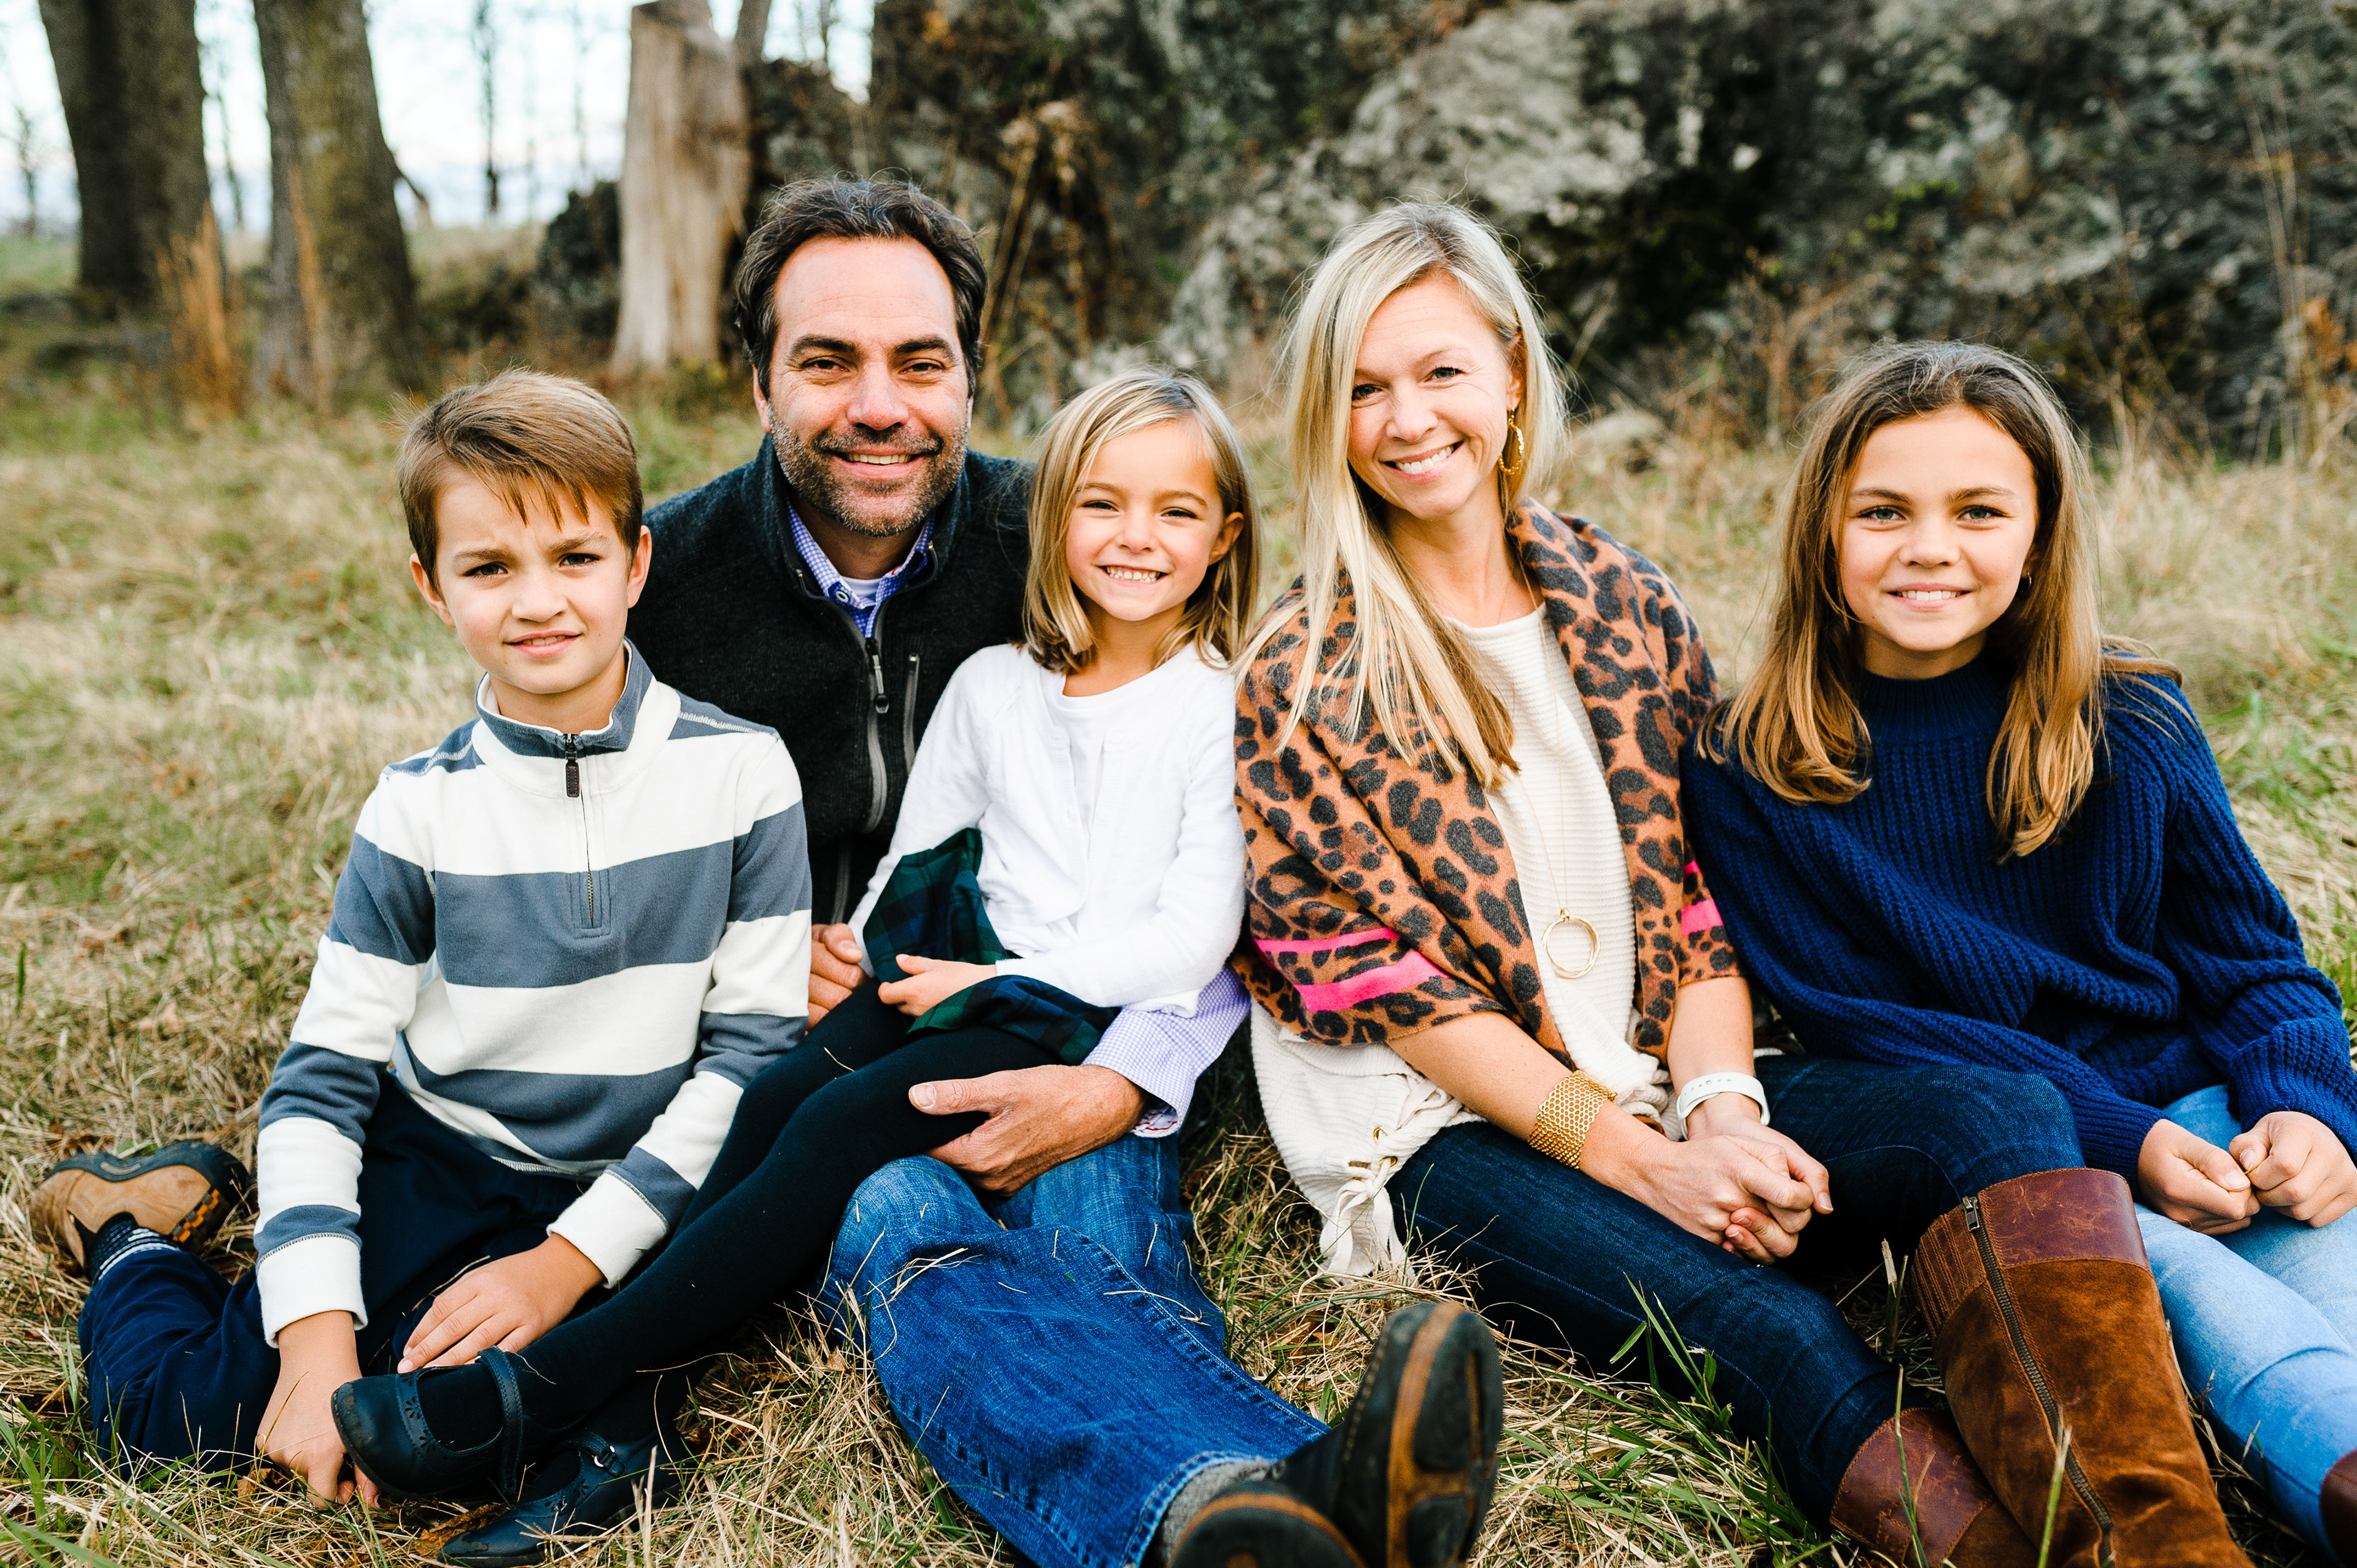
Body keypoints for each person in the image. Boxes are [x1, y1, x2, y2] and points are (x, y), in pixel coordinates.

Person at [331, 367, 1505, 1566]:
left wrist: (992, 992)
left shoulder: (1225, 704)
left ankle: (550, 1388)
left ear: (1226, 537)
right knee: (774, 1104)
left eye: (1177, 511)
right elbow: (915, 861)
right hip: (951, 985)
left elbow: (1196, 943)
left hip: (1070, 1023)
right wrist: (855, 958)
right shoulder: (999, 684)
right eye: (1102, 505)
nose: (1136, 538)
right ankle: (621, 1417)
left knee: (906, 1164)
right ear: (1052, 522)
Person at [1231, 201, 2254, 1568]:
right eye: (1363, 388)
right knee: (1780, 1333)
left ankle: (2165, 1542)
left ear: (1513, 375)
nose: (1408, 418)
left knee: (1999, 1110)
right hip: (1448, 1128)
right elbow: (1397, 997)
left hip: (1666, 1074)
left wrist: (1721, 1107)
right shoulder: (1303, 667)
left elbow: (1694, 902)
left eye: (1441, 371)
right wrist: (1651, 1165)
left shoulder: (1617, 596)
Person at [26, 371, 813, 1508]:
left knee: (478, 1435)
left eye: (575, 557)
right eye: (489, 568)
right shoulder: (417, 809)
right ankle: (129, 1233)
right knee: (180, 1423)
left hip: (643, 1179)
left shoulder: (743, 773)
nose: (538, 601)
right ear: (432, 588)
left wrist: (566, 1262)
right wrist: (313, 1340)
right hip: (445, 1150)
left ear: (637, 564)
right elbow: (321, 1083)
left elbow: (750, 1058)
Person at [1685, 339, 2354, 1562]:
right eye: (1883, 512)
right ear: (1822, 535)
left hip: (2211, 1106)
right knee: (2234, 1325)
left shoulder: (2130, 716)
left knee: (2339, 1279)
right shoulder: (1755, 763)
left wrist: (2306, 1109)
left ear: (2041, 537)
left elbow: (2255, 964)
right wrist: (2125, 1141)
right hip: (2042, 1166)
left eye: (1979, 512)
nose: (1930, 548)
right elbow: (1860, 1023)